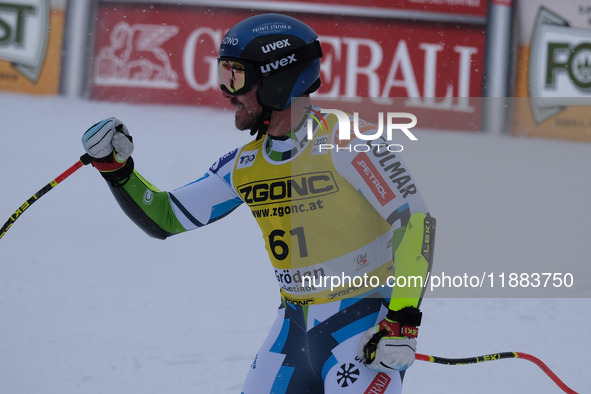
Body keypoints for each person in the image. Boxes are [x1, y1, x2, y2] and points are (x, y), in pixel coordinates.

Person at [81, 13, 435, 394]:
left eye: (236, 76)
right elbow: (166, 217)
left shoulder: (348, 141)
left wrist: (402, 321)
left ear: (278, 79)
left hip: (363, 329)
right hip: (293, 330)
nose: (226, 91)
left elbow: (415, 222)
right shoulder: (244, 165)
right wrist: (116, 170)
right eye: (222, 74)